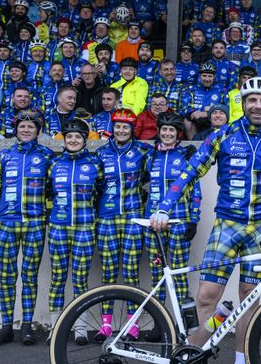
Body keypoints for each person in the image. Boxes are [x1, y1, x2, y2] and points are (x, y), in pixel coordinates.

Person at [150, 76, 261, 364]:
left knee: (250, 297)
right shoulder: (224, 135)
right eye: (252, 100)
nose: (258, 106)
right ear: (244, 103)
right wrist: (164, 207)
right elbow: (191, 171)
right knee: (207, 296)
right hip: (227, 225)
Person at [0, 110, 52, 345]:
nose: (26, 130)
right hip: (6, 223)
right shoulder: (4, 155)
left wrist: (48, 218)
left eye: (31, 127)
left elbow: (52, 192)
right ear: (16, 129)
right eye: (22, 126)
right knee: (7, 276)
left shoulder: (47, 155)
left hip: (34, 223)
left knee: (29, 276)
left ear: (38, 131)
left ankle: (26, 326)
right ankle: (6, 327)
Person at [137, 112, 202, 334]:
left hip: (179, 222)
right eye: (163, 130)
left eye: (171, 130)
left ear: (177, 133)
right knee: (157, 275)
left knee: (179, 274)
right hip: (154, 223)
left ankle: (184, 325)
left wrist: (194, 219)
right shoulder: (150, 156)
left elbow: (195, 191)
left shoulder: (185, 155)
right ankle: (159, 324)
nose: (166, 133)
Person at [93, 109, 152, 340]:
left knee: (130, 272)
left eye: (125, 127)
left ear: (131, 130)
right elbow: (95, 184)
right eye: (117, 126)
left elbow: (151, 174)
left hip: (132, 217)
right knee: (108, 272)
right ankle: (106, 325)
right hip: (106, 217)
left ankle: (132, 324)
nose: (121, 130)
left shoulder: (142, 151)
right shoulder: (101, 153)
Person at [46, 119, 103, 344]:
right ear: (64, 139)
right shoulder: (54, 163)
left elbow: (100, 193)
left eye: (77, 137)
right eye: (69, 136)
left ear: (84, 140)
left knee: (80, 280)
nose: (73, 140)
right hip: (58, 227)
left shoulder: (95, 164)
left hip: (85, 227)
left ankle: (80, 328)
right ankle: (56, 328)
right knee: (58, 278)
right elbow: (47, 192)